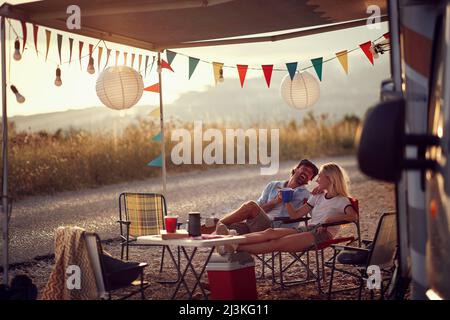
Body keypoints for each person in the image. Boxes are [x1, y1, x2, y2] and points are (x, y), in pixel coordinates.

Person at [216, 162, 358, 255]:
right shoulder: (317, 196)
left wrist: (329, 221)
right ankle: (230, 240)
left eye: (319, 176)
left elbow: (353, 217)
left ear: (330, 179)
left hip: (321, 234)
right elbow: (295, 215)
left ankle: (233, 246)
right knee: (270, 232)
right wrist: (287, 201)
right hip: (307, 229)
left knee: (277, 243)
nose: (316, 180)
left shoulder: (341, 200)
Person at [214, 159, 319, 235]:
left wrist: (322, 189)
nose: (306, 173)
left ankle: (219, 223)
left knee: (250, 205)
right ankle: (211, 230)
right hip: (258, 225)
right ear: (296, 169)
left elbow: (316, 213)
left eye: (310, 173)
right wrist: (274, 202)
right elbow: (257, 210)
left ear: (309, 180)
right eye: (304, 169)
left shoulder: (306, 195)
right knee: (225, 229)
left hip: (278, 229)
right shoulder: (273, 185)